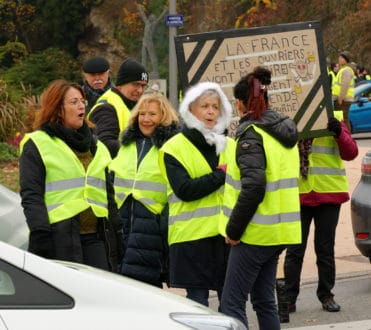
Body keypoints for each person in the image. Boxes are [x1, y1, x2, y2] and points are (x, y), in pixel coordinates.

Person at [219, 66, 302, 329]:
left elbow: (254, 187)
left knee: (231, 304)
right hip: (278, 232)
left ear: (241, 103)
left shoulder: (250, 135)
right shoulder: (283, 131)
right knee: (264, 301)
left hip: (253, 234)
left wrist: (233, 229)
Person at [19, 79, 123, 272]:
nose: (81, 105)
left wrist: (117, 232)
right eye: (74, 102)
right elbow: (31, 195)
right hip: (59, 237)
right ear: (58, 108)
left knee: (99, 297)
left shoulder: (97, 146)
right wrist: (40, 233)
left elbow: (109, 196)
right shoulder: (37, 143)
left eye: (82, 101)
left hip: (97, 237)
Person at [158, 81, 233, 307]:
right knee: (198, 305)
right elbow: (185, 190)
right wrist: (221, 175)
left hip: (227, 235)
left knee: (230, 302)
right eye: (204, 106)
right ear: (190, 110)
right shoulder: (173, 148)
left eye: (215, 106)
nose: (211, 112)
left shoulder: (231, 144)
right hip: (191, 237)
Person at [284, 112, 358, 313]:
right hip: (298, 194)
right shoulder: (291, 118)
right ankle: (289, 298)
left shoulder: (334, 118)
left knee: (325, 249)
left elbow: (351, 153)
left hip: (328, 192)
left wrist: (338, 134)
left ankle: (326, 295)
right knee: (295, 250)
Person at [109, 93, 179, 287]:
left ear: (163, 117)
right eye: (142, 114)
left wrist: (162, 222)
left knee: (146, 288)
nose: (146, 119)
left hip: (152, 229)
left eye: (152, 114)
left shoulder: (172, 147)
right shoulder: (126, 144)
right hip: (122, 223)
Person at [88, 58, 149, 158]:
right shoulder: (106, 107)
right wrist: (141, 147)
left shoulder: (132, 105)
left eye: (143, 86)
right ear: (121, 84)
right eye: (136, 84)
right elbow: (104, 145)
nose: (140, 90)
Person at [332, 51, 355, 131]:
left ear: (346, 60)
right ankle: (345, 137)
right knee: (342, 118)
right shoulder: (343, 69)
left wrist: (340, 98)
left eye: (341, 57)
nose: (339, 58)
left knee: (343, 119)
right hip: (342, 99)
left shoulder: (347, 70)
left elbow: (345, 86)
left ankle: (347, 137)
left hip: (343, 99)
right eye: (339, 57)